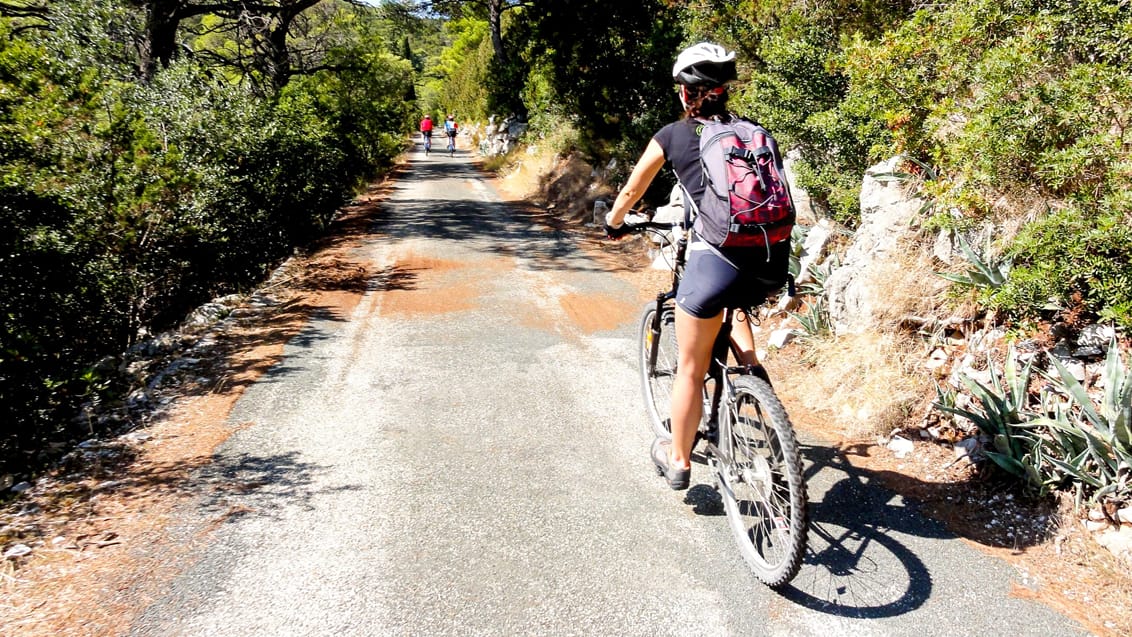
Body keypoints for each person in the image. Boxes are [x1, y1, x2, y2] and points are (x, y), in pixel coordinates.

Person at [604, 42, 790, 490]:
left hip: (717, 261)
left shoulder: (672, 135)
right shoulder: (755, 132)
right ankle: (756, 387)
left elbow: (632, 191)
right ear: (724, 91)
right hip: (770, 259)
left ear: (686, 93)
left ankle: (680, 459)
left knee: (690, 367)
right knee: (738, 306)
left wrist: (614, 223)